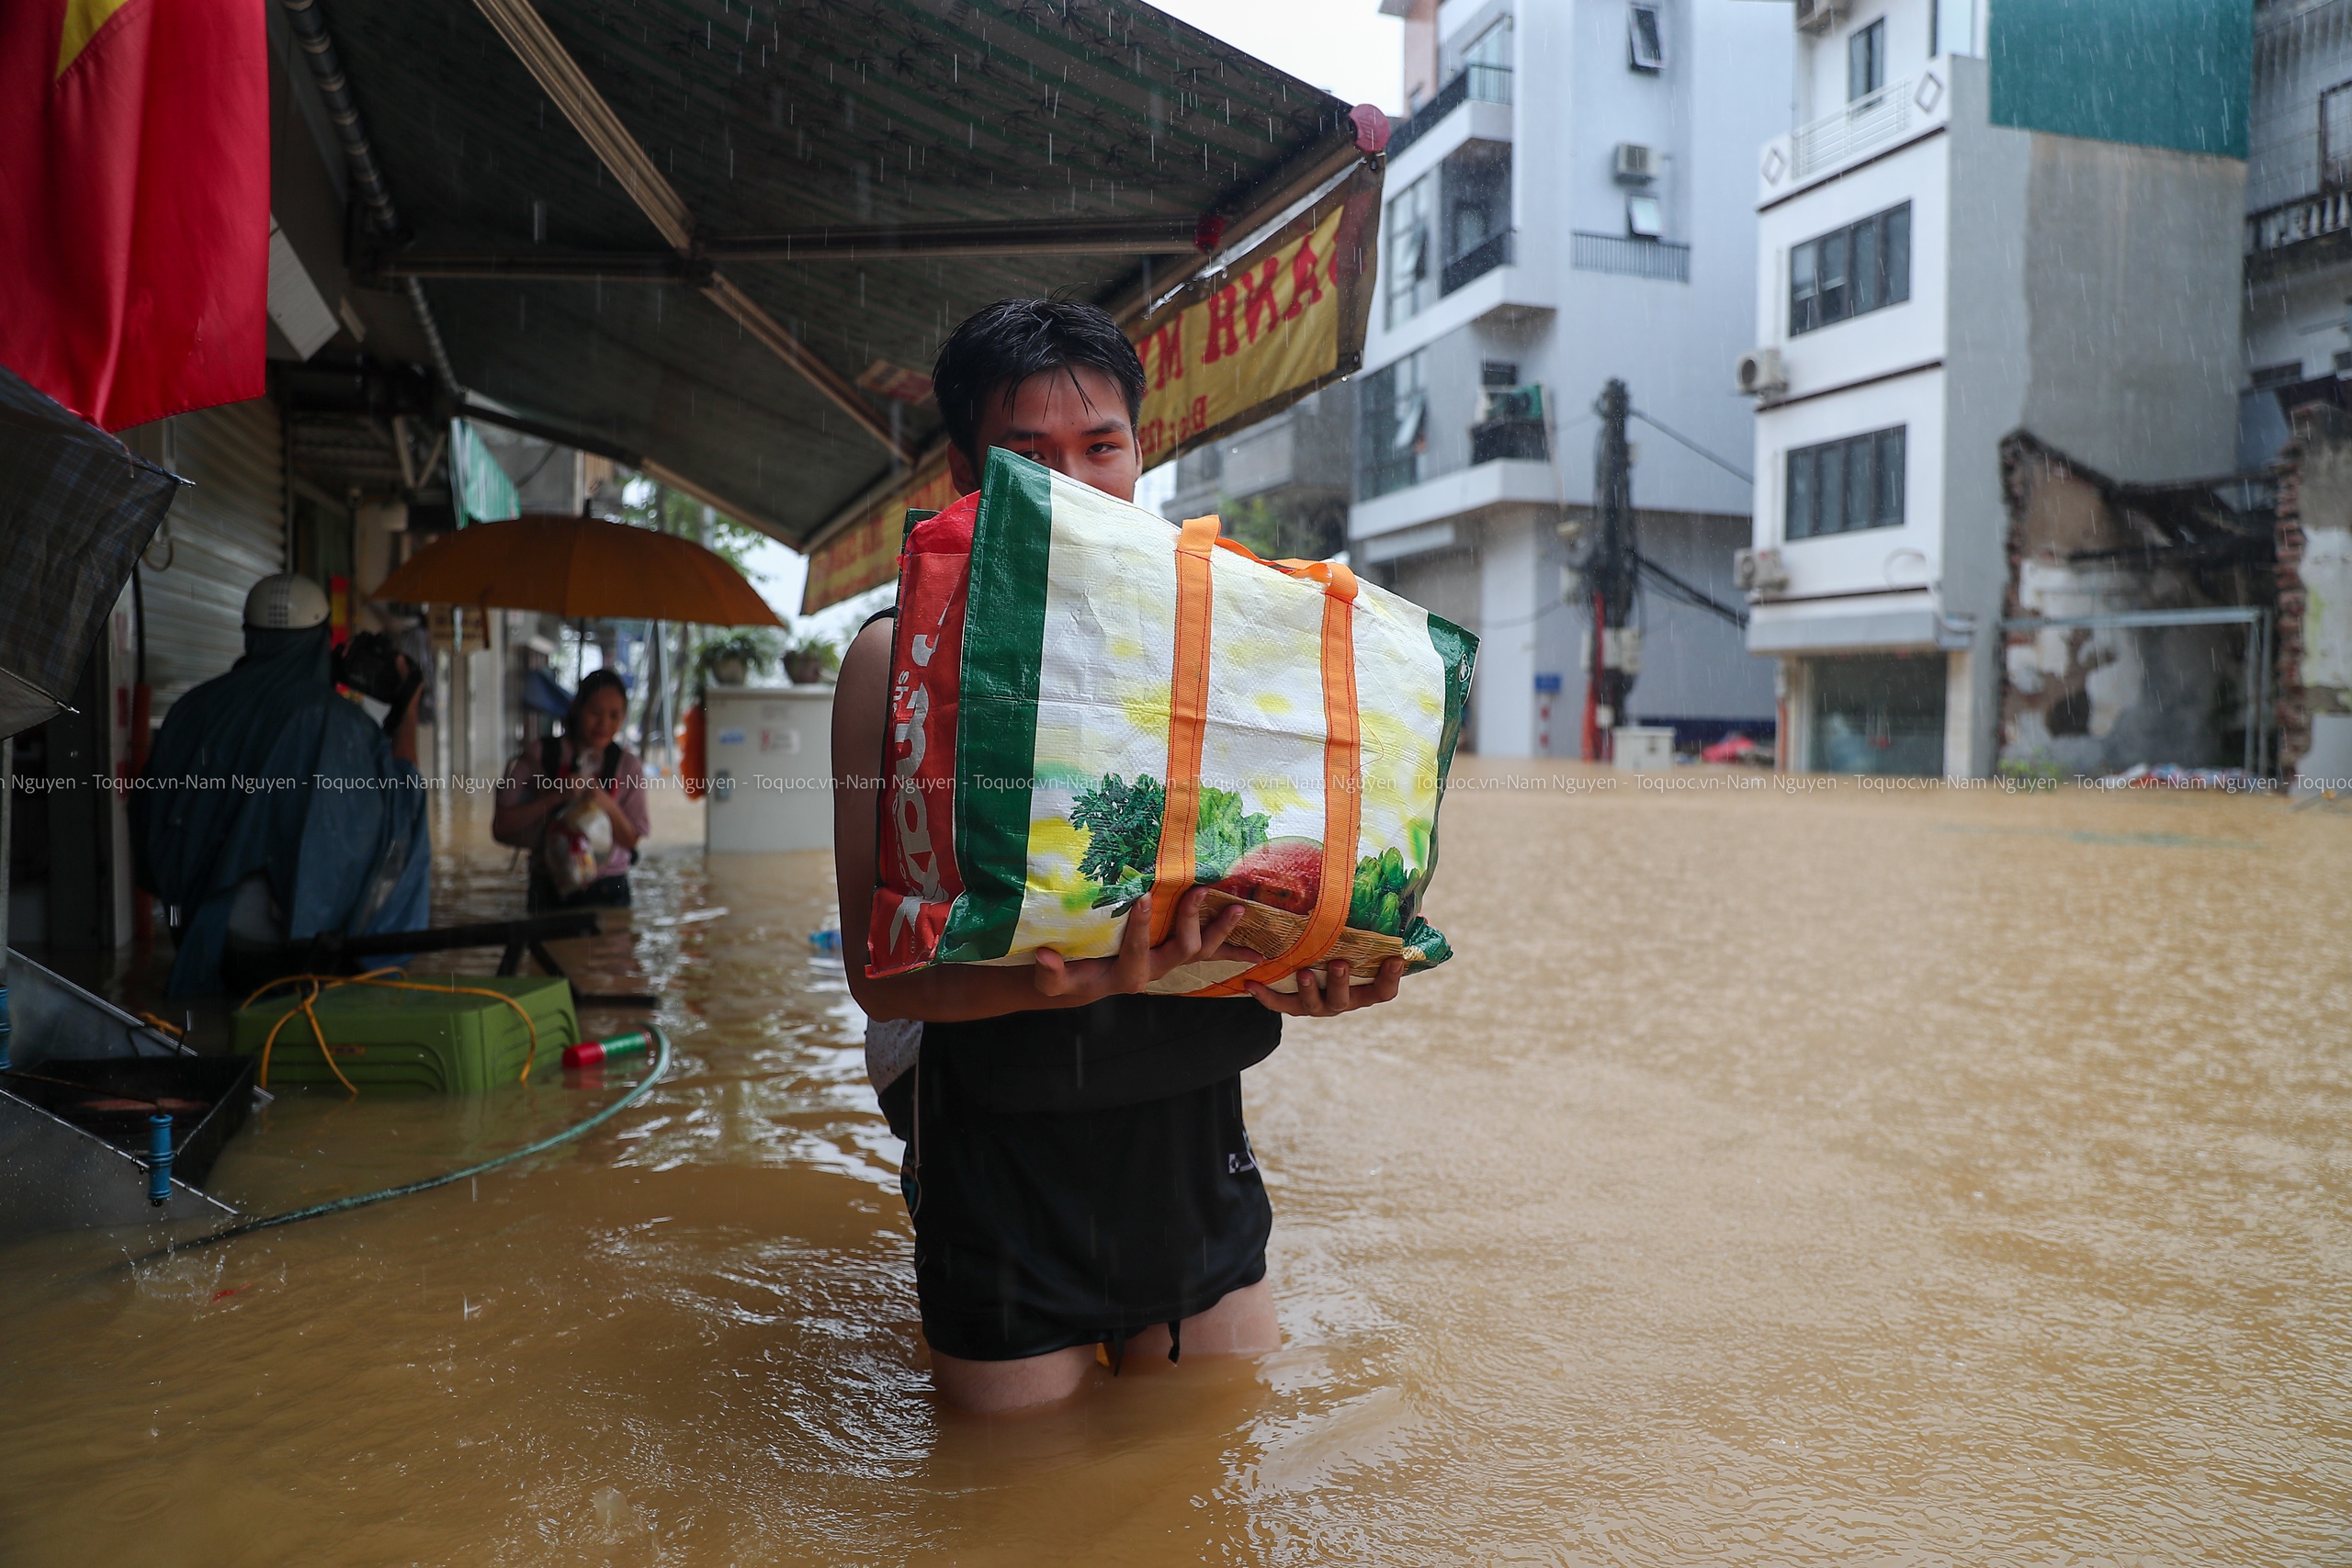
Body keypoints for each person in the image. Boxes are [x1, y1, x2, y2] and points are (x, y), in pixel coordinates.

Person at [831, 299, 1404, 1415]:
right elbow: (877, 972)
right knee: (1011, 1505)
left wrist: (1302, 973)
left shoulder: (1227, 643)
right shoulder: (892, 661)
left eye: (1102, 448)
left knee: (1202, 1476)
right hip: (994, 1151)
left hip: (1191, 1133)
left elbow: (1244, 893)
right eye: (1026, 456)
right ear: (964, 473)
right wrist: (1088, 977)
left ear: (1143, 454)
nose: (1075, 483)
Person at [133, 573, 430, 997]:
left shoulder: (189, 711)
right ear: (323, 639)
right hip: (299, 947)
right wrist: (407, 707)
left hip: (205, 935)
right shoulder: (342, 725)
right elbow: (401, 819)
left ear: (250, 636)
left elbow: (150, 833)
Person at [492, 668, 648, 909]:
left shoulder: (628, 765)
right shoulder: (540, 755)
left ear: (625, 716)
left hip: (609, 887)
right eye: (595, 713)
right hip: (549, 884)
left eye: (614, 715)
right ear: (577, 708)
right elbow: (501, 828)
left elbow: (631, 839)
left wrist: (604, 802)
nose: (604, 724)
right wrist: (558, 796)